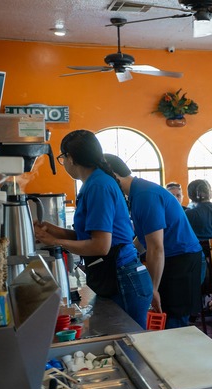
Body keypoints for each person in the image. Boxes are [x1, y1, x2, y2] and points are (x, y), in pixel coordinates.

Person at [33, 130, 153, 329]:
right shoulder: (93, 183)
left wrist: (55, 242)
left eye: (62, 158)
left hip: (122, 276)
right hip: (115, 273)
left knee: (128, 343)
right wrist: (54, 230)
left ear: (70, 158)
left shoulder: (98, 186)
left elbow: (100, 245)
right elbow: (88, 236)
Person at [104, 154, 204, 329]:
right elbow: (144, 239)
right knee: (165, 319)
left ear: (113, 176)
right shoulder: (136, 193)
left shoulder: (145, 195)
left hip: (181, 261)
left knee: (174, 323)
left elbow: (156, 247)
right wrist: (126, 254)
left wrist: (153, 289)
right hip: (171, 259)